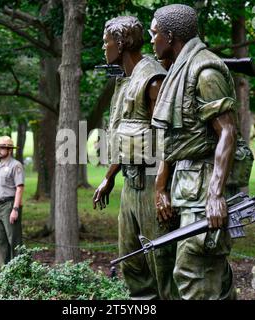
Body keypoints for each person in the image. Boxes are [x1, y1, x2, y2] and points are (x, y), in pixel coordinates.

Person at [150, 4, 252, 299]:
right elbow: (175, 137)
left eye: (154, 34)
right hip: (188, 185)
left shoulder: (205, 71)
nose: (152, 40)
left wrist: (216, 194)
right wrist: (162, 187)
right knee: (208, 277)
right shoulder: (177, 70)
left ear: (169, 36)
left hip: (204, 188)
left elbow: (227, 132)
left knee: (194, 271)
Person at [92, 16, 179, 300]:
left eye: (106, 42)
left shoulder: (153, 79)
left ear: (120, 43)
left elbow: (168, 138)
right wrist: (108, 177)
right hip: (130, 184)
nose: (103, 48)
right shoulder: (125, 81)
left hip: (152, 180)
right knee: (132, 263)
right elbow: (126, 138)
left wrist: (161, 188)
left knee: (161, 265)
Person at [0, 136, 25, 265]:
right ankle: (4, 270)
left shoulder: (15, 165)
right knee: (1, 240)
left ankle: (19, 271)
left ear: (9, 150)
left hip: (10, 205)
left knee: (14, 240)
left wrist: (15, 209)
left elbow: (20, 188)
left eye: (2, 148)